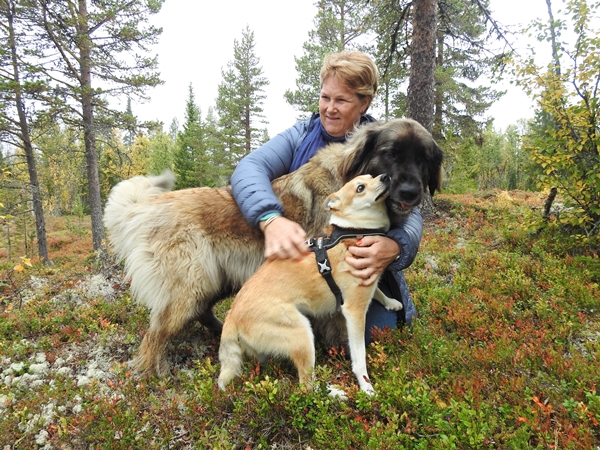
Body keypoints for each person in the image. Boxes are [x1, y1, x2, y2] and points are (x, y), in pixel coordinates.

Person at [230, 51, 423, 344]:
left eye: (341, 100)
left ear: (364, 103)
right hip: (305, 271)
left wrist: (396, 245)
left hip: (357, 269)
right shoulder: (301, 135)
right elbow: (249, 168)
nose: (329, 109)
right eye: (325, 98)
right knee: (272, 343)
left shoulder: (382, 146)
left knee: (378, 335)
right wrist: (269, 219)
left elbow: (410, 211)